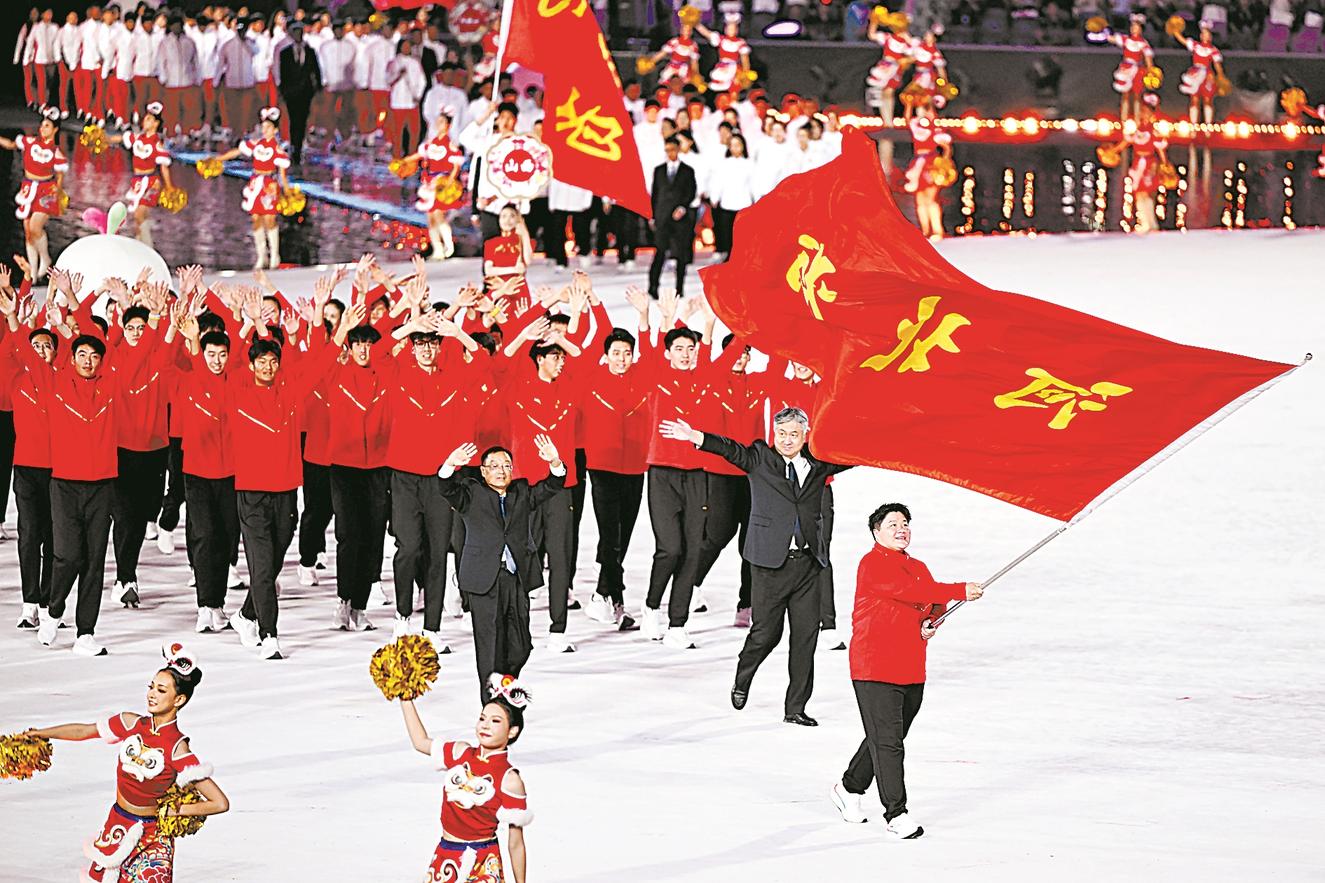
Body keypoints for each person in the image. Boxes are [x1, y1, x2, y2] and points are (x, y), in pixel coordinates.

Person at [661, 406, 851, 725]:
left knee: (805, 639)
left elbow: (854, 456)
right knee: (766, 634)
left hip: (808, 565)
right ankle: (743, 676)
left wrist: (891, 440)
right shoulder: (760, 457)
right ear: (774, 434)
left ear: (805, 435)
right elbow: (730, 449)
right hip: (769, 565)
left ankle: (795, 708)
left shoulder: (818, 462)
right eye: (781, 434)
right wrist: (696, 436)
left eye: (794, 434)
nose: (787, 440)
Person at [830, 503, 983, 839]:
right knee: (889, 743)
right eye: (892, 524)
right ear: (876, 532)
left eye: (905, 524)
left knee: (887, 736)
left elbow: (933, 601)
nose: (901, 529)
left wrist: (932, 619)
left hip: (911, 666)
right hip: (874, 666)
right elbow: (913, 592)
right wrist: (959, 589)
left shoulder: (918, 566)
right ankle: (896, 814)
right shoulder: (872, 564)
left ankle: (849, 787)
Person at [21, 643, 230, 880]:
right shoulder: (131, 723)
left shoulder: (177, 748)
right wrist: (42, 733)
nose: (151, 694)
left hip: (153, 839)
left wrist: (175, 811)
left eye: (161, 690)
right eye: (151, 687)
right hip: (116, 826)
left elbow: (219, 802)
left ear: (179, 699)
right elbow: (84, 731)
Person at [225, 297, 353, 660]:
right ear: (251, 365)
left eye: (272, 361)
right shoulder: (237, 393)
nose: (267, 367)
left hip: (285, 492)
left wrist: (340, 330)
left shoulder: (291, 393)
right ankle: (269, 635)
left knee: (274, 560)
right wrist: (250, 324)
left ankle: (246, 614)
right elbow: (227, 363)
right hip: (251, 493)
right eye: (261, 361)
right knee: (263, 566)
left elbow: (320, 364)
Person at [437, 435, 566, 701]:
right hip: (484, 579)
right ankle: (492, 704)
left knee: (520, 645)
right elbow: (446, 488)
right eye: (494, 466)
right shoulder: (471, 494)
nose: (501, 471)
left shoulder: (521, 492)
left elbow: (553, 485)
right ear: (483, 471)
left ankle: (506, 686)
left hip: (516, 578)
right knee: (489, 647)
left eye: (506, 465)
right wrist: (450, 463)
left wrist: (554, 461)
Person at [397, 673, 532, 883]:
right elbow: (420, 742)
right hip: (444, 856)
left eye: (495, 721)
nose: (485, 725)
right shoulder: (460, 752)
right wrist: (404, 697)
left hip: (483, 865)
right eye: (482, 718)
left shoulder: (510, 779)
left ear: (512, 731)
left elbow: (515, 844)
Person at [207, 107, 291, 270]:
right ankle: (261, 256)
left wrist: (287, 191)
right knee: (255, 219)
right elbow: (237, 151)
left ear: (275, 130)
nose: (265, 130)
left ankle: (275, 255)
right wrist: (219, 159)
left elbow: (282, 173)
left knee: (270, 219)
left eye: (268, 128)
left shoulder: (278, 150)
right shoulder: (256, 144)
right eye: (263, 127)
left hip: (269, 185)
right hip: (255, 183)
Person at [0, 108, 65, 281]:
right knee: (28, 233)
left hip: (46, 191)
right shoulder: (29, 142)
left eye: (47, 126)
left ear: (55, 129)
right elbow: (11, 145)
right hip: (28, 189)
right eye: (42, 125)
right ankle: (33, 274)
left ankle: (45, 258)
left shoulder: (55, 152)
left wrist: (57, 192)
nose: (42, 128)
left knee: (36, 228)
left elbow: (60, 176)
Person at [406, 113, 465, 261]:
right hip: (429, 183)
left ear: (448, 125)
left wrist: (449, 182)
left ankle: (449, 246)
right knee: (431, 218)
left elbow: (456, 166)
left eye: (442, 122)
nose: (439, 125)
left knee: (439, 215)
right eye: (438, 122)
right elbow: (419, 156)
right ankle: (437, 249)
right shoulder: (430, 143)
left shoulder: (450, 145)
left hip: (441, 183)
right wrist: (404, 161)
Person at [647, 138, 698, 299]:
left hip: (680, 220)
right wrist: (653, 216)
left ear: (678, 149)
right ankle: (653, 287)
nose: (670, 153)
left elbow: (691, 192)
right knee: (660, 252)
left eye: (673, 149)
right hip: (662, 217)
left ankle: (679, 288)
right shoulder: (659, 170)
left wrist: (682, 207)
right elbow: (655, 195)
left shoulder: (687, 171)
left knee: (681, 255)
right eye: (667, 150)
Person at [120, 101, 175, 248]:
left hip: (150, 181)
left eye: (149, 119)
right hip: (136, 182)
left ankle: (147, 248)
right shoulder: (138, 138)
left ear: (156, 123)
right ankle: (141, 247)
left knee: (139, 214)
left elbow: (164, 167)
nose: (145, 121)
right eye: (145, 119)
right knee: (139, 218)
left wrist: (169, 187)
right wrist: (103, 139)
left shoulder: (157, 144)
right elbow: (119, 138)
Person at [903, 104, 953, 241]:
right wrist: (909, 104)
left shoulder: (935, 130)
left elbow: (947, 148)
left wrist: (944, 163)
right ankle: (925, 230)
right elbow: (907, 119)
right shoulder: (916, 127)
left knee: (931, 199)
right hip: (918, 164)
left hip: (930, 165)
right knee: (920, 200)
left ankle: (937, 230)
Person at [276, 20, 322, 165]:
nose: (298, 35)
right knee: (293, 119)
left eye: (300, 32)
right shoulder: (285, 53)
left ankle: (299, 146)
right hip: (291, 93)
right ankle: (293, 145)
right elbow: (283, 74)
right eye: (295, 32)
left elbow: (316, 71)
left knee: (302, 120)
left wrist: (318, 87)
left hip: (306, 92)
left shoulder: (310, 51)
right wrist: (283, 91)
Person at [1125, 93, 1170, 234]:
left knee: (1146, 193)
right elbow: (1126, 142)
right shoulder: (1138, 130)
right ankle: (1145, 223)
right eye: (1141, 111)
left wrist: (1165, 164)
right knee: (1138, 193)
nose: (1142, 114)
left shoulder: (1153, 131)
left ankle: (1151, 224)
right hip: (1137, 163)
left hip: (1149, 163)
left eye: (1145, 111)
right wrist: (1113, 150)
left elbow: (1160, 149)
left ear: (1151, 114)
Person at [708, 133, 756, 261]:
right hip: (727, 203)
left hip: (744, 203)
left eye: (738, 145)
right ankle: (730, 257)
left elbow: (754, 184)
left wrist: (757, 200)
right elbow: (718, 182)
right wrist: (715, 197)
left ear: (743, 146)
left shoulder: (749, 164)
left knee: (743, 234)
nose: (735, 148)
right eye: (732, 145)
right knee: (727, 233)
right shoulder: (724, 164)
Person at [865, 12, 913, 124]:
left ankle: (889, 120)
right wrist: (874, 21)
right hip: (884, 67)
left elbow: (913, 53)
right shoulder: (888, 38)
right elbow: (872, 35)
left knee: (889, 92)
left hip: (895, 69)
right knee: (883, 93)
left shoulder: (906, 42)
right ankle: (886, 121)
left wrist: (907, 37)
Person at [1177, 21, 1225, 125]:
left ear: (1210, 36)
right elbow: (1183, 41)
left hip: (1207, 75)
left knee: (1207, 99)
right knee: (1194, 98)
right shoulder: (1196, 45)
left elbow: (1217, 65)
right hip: (1194, 73)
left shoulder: (1213, 50)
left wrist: (1220, 76)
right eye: (1203, 34)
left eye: (1207, 34)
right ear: (1200, 35)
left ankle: (1208, 125)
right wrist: (1176, 31)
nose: (1205, 36)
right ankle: (1193, 124)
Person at [1108, 14, 1153, 121]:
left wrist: (1150, 71)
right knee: (1125, 95)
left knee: (1137, 96)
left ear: (1141, 29)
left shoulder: (1144, 44)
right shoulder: (1126, 39)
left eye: (1136, 27)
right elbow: (1110, 38)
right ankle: (1123, 120)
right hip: (1125, 69)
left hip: (1138, 70)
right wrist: (1103, 31)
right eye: (1132, 26)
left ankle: (1137, 120)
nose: (1133, 29)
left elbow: (1148, 60)